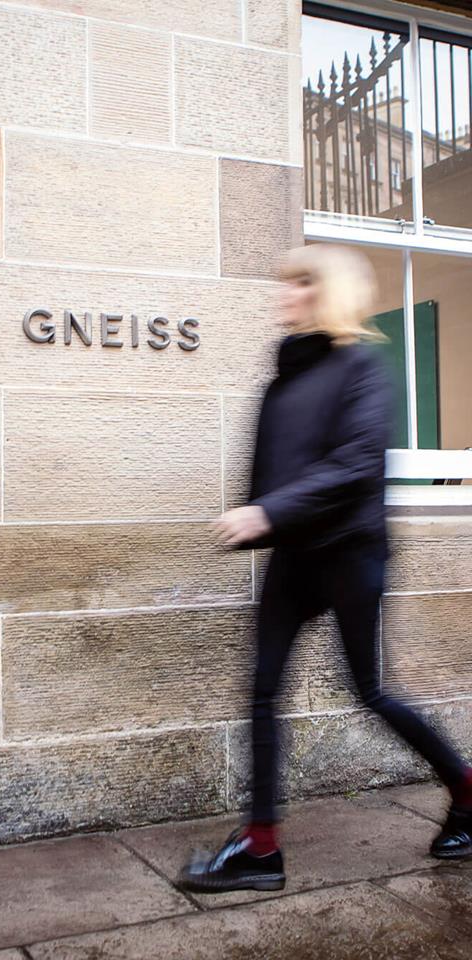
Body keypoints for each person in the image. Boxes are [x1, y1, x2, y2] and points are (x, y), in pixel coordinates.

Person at [180, 244, 472, 894]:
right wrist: (264, 516)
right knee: (261, 689)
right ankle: (260, 849)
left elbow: (356, 463)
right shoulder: (285, 374)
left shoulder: (362, 367)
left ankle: (468, 792)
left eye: (296, 285)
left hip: (350, 552)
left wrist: (266, 512)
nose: (281, 296)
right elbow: (278, 467)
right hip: (296, 553)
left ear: (324, 293)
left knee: (370, 691)